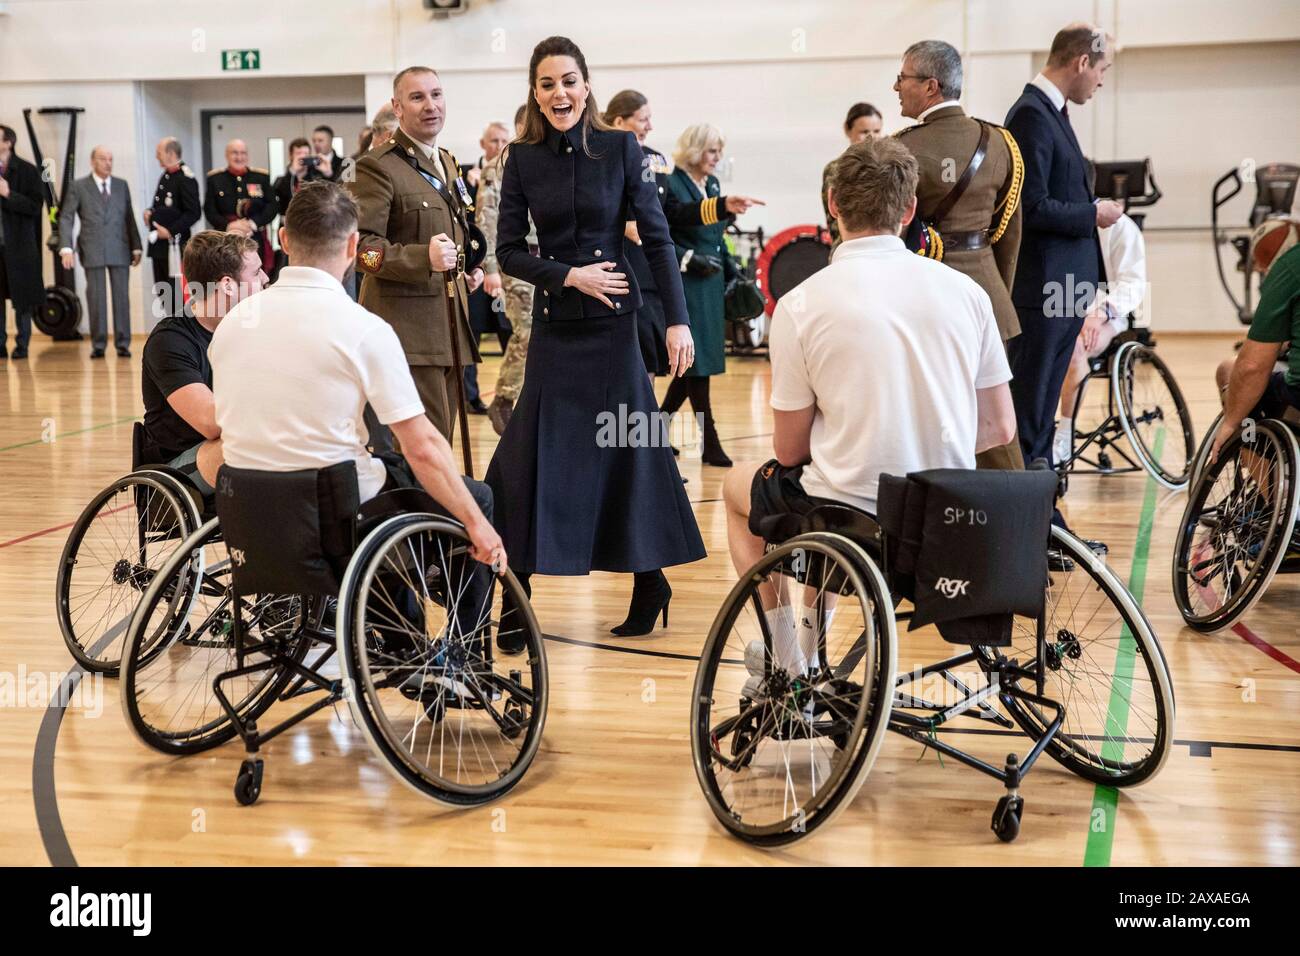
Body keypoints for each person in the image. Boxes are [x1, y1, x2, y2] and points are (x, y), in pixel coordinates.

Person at [722, 136, 1016, 656]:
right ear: (909, 210)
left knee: (741, 486)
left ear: (833, 205)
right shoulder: (968, 293)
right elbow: (999, 429)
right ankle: (808, 648)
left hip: (853, 521)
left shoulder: (799, 304)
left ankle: (788, 649)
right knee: (826, 482)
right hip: (945, 515)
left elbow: (790, 451)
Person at [209, 181, 503, 634]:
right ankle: (449, 661)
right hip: (333, 521)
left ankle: (398, 630)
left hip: (250, 517)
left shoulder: (230, 325)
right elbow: (423, 447)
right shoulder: (364, 328)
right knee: (470, 497)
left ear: (284, 240)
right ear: (352, 245)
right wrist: (477, 524)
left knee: (383, 479)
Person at [486, 35, 705, 642]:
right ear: (535, 92)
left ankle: (650, 580)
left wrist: (679, 320)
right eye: (548, 84)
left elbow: (658, 240)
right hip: (559, 328)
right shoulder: (522, 160)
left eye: (570, 81)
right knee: (527, 459)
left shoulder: (621, 148)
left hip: (615, 327)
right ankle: (516, 593)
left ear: (587, 85)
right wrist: (567, 275)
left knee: (631, 451)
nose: (560, 93)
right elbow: (506, 252)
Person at [1005, 22, 1119, 543]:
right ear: (1079, 62)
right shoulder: (1030, 115)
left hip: (1062, 291)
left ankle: (1044, 525)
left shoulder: (1051, 113)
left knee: (1043, 417)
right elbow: (1031, 207)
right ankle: (1032, 532)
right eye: (1101, 69)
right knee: (1031, 418)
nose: (1101, 80)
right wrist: (1092, 213)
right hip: (1042, 292)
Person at [894, 38, 1025, 471]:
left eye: (903, 78)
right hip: (989, 296)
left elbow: (891, 235)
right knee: (993, 420)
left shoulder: (900, 151)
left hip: (926, 300)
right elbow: (1008, 234)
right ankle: (1016, 513)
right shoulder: (1001, 142)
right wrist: (995, 299)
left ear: (931, 86)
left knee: (934, 414)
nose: (896, 87)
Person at [349, 66, 485, 443]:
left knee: (442, 445)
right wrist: (421, 258)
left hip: (451, 329)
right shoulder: (377, 166)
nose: (431, 106)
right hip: (407, 332)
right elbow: (362, 252)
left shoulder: (448, 162)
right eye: (417, 97)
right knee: (426, 451)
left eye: (436, 95)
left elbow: (453, 233)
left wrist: (464, 270)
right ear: (398, 107)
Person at [604, 90, 763, 380]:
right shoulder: (594, 156)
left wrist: (721, 206)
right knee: (617, 367)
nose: (650, 126)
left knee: (648, 363)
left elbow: (672, 213)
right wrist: (618, 225)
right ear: (618, 121)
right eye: (643, 119)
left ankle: (640, 425)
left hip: (648, 276)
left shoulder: (654, 160)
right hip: (610, 273)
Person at [140, 230, 265, 494]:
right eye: (256, 273)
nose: (265, 279)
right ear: (228, 284)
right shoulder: (170, 340)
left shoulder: (249, 331)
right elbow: (210, 422)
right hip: (176, 474)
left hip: (230, 451)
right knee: (246, 443)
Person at [660, 123, 739, 467]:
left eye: (719, 151)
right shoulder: (670, 181)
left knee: (691, 365)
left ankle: (656, 432)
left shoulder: (714, 184)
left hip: (712, 279)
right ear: (693, 150)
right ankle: (710, 443)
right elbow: (661, 233)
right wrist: (689, 259)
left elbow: (716, 235)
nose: (717, 158)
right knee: (696, 363)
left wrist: (730, 264)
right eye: (711, 150)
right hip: (686, 281)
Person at [1053, 208, 1149, 464]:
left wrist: (1099, 314)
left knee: (1074, 348)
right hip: (1059, 305)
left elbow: (1133, 283)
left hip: (1107, 311)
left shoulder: (1120, 226)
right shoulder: (1057, 221)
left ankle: (1065, 432)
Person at [1210, 222, 1300, 464]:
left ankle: (1268, 496)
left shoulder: (1291, 264)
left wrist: (1231, 422)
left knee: (1233, 373)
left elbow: (1252, 367)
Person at [477, 105, 537, 435]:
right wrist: (489, 268)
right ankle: (504, 397)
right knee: (526, 331)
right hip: (515, 261)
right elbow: (486, 219)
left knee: (543, 334)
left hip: (548, 262)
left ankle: (533, 401)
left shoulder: (541, 162)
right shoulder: (500, 165)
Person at [58, 145, 143, 358]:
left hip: (120, 246)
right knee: (96, 297)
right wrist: (66, 247)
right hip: (92, 247)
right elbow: (66, 217)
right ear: (93, 161)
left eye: (110, 159)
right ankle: (98, 344)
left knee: (121, 297)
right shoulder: (78, 186)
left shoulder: (122, 186)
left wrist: (136, 245)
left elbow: (129, 217)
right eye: (103, 159)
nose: (108, 163)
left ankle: (123, 343)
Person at [461, 121, 513, 417]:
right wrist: (472, 184)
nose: (499, 145)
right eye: (494, 140)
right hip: (476, 266)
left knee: (510, 330)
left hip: (506, 266)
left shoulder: (512, 173)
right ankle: (471, 398)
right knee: (474, 332)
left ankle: (511, 396)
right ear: (483, 144)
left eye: (504, 140)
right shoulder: (465, 174)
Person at [143, 137, 202, 321]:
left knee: (177, 293)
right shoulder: (166, 176)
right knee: (163, 290)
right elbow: (160, 206)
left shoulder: (185, 178)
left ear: (170, 153)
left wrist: (170, 231)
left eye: (159, 153)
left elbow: (193, 213)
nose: (156, 157)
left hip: (175, 246)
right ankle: (171, 325)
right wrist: (149, 213)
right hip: (160, 247)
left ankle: (180, 329)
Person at [0, 124, 44, 360]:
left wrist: (8, 194)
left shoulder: (27, 171)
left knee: (22, 301)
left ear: (8, 143)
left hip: (18, 247)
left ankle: (22, 344)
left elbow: (35, 207)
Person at [204, 139, 278, 278]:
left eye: (243, 153)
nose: (239, 157)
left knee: (256, 278)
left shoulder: (260, 177)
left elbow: (272, 206)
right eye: (235, 153)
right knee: (228, 277)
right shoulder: (215, 179)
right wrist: (230, 225)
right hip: (225, 240)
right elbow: (209, 210)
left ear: (248, 156)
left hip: (255, 238)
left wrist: (252, 224)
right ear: (227, 155)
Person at [822, 102, 883, 249]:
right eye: (864, 132)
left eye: (876, 131)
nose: (871, 137)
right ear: (847, 130)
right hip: (847, 247)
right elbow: (834, 220)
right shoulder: (835, 169)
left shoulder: (887, 167)